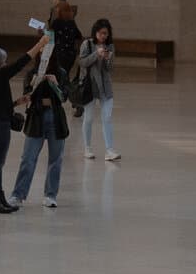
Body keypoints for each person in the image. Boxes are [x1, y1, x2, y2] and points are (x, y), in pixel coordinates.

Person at [10, 34, 69, 209]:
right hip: (36, 117)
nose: (45, 52)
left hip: (55, 117)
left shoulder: (61, 72)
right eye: (42, 49)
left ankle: (50, 195)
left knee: (55, 159)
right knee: (28, 158)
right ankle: (18, 194)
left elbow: (64, 97)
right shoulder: (31, 73)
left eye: (48, 49)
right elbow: (26, 96)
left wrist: (56, 84)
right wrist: (34, 84)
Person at [75, 19, 120, 161]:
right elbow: (82, 62)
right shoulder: (87, 44)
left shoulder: (110, 46)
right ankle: (87, 148)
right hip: (90, 86)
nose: (103, 36)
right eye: (101, 33)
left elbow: (110, 69)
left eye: (106, 33)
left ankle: (110, 150)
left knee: (107, 117)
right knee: (88, 118)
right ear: (95, 32)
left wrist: (107, 58)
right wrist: (96, 54)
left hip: (105, 87)